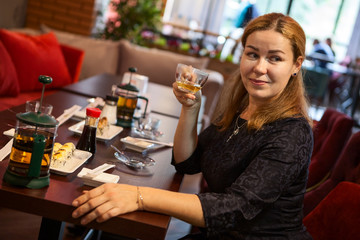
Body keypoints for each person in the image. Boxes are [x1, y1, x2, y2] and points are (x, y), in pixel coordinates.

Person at [71, 12, 314, 239]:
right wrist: (191, 109)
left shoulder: (293, 132)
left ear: (296, 65)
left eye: (275, 58)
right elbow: (188, 162)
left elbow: (234, 208)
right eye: (252, 54)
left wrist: (139, 196)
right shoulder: (242, 108)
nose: (260, 68)